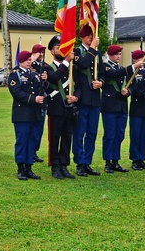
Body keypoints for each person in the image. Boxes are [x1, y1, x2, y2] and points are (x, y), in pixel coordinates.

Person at [41, 34, 78, 179]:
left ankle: (64, 165)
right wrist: (67, 62)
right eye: (58, 48)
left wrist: (76, 97)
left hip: (69, 107)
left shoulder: (71, 67)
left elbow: (78, 85)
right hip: (56, 108)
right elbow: (55, 77)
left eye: (63, 48)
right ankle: (55, 166)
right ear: (52, 51)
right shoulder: (47, 67)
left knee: (67, 137)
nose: (61, 51)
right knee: (55, 137)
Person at [7, 49, 46, 180]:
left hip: (34, 113)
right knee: (22, 141)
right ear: (21, 61)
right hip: (22, 114)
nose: (30, 62)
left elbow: (41, 88)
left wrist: (44, 81)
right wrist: (33, 99)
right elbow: (17, 93)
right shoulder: (15, 75)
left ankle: (29, 167)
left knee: (31, 141)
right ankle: (20, 168)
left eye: (30, 60)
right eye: (27, 60)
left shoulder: (34, 74)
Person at [72, 24, 102, 176]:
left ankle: (87, 162)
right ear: (82, 37)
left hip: (95, 99)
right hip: (82, 97)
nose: (92, 38)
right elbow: (83, 63)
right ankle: (79, 162)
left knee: (92, 132)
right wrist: (92, 50)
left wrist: (101, 82)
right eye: (89, 35)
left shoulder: (97, 53)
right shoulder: (77, 51)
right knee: (79, 132)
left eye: (93, 35)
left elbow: (102, 72)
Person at [100, 44, 130, 173]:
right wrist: (133, 67)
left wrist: (127, 92)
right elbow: (113, 74)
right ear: (110, 55)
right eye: (116, 54)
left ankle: (115, 161)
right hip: (110, 106)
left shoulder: (122, 69)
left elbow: (130, 85)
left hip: (122, 106)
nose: (118, 56)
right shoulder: (105, 66)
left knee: (119, 134)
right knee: (110, 134)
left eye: (120, 54)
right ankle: (108, 161)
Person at [29, 43, 48, 165]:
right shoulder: (29, 64)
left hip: (43, 100)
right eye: (38, 52)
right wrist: (32, 60)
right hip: (32, 101)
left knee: (39, 128)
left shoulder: (45, 66)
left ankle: (35, 151)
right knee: (31, 128)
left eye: (42, 52)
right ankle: (29, 151)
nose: (41, 54)